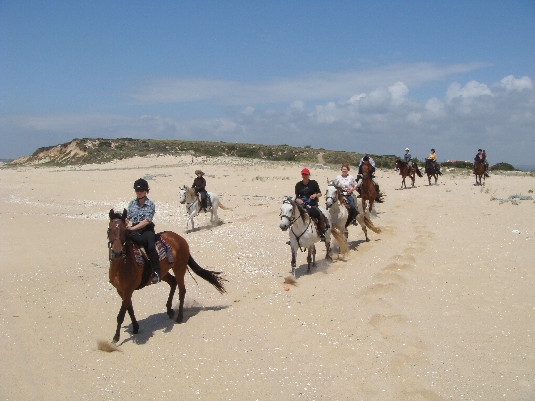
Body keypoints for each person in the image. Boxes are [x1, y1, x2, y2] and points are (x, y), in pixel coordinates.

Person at [126, 178, 160, 284]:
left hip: (146, 229)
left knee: (150, 247)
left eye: (141, 190)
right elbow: (128, 217)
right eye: (137, 190)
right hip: (134, 228)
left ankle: (156, 272)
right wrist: (124, 223)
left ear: (146, 191)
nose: (139, 192)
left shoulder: (150, 204)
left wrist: (132, 228)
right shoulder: (132, 203)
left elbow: (146, 221)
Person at [295, 168, 329, 242]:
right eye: (303, 174)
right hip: (302, 204)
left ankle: (321, 232)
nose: (304, 176)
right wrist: (299, 200)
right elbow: (296, 197)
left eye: (306, 174)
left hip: (312, 203)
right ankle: (294, 234)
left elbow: (320, 193)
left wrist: (315, 195)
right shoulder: (298, 185)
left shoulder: (313, 183)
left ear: (309, 175)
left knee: (317, 214)